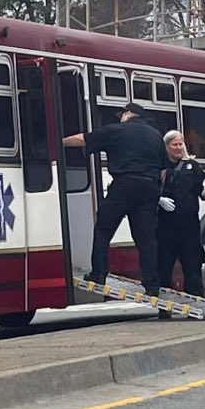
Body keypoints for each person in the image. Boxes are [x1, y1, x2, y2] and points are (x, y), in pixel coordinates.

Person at [63, 102, 168, 295]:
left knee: (103, 229)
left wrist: (57, 143)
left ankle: (99, 274)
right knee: (146, 239)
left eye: (122, 114)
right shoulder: (156, 136)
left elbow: (82, 139)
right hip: (149, 187)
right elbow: (163, 170)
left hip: (125, 185)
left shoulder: (117, 130)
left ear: (128, 114)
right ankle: (152, 285)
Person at [156, 130, 205, 301]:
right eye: (175, 145)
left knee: (192, 266)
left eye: (181, 144)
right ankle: (164, 306)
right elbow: (148, 187)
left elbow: (201, 187)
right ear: (166, 147)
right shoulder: (159, 167)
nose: (179, 148)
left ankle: (196, 302)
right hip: (165, 227)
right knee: (163, 267)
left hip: (189, 226)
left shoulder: (192, 166)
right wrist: (158, 199)